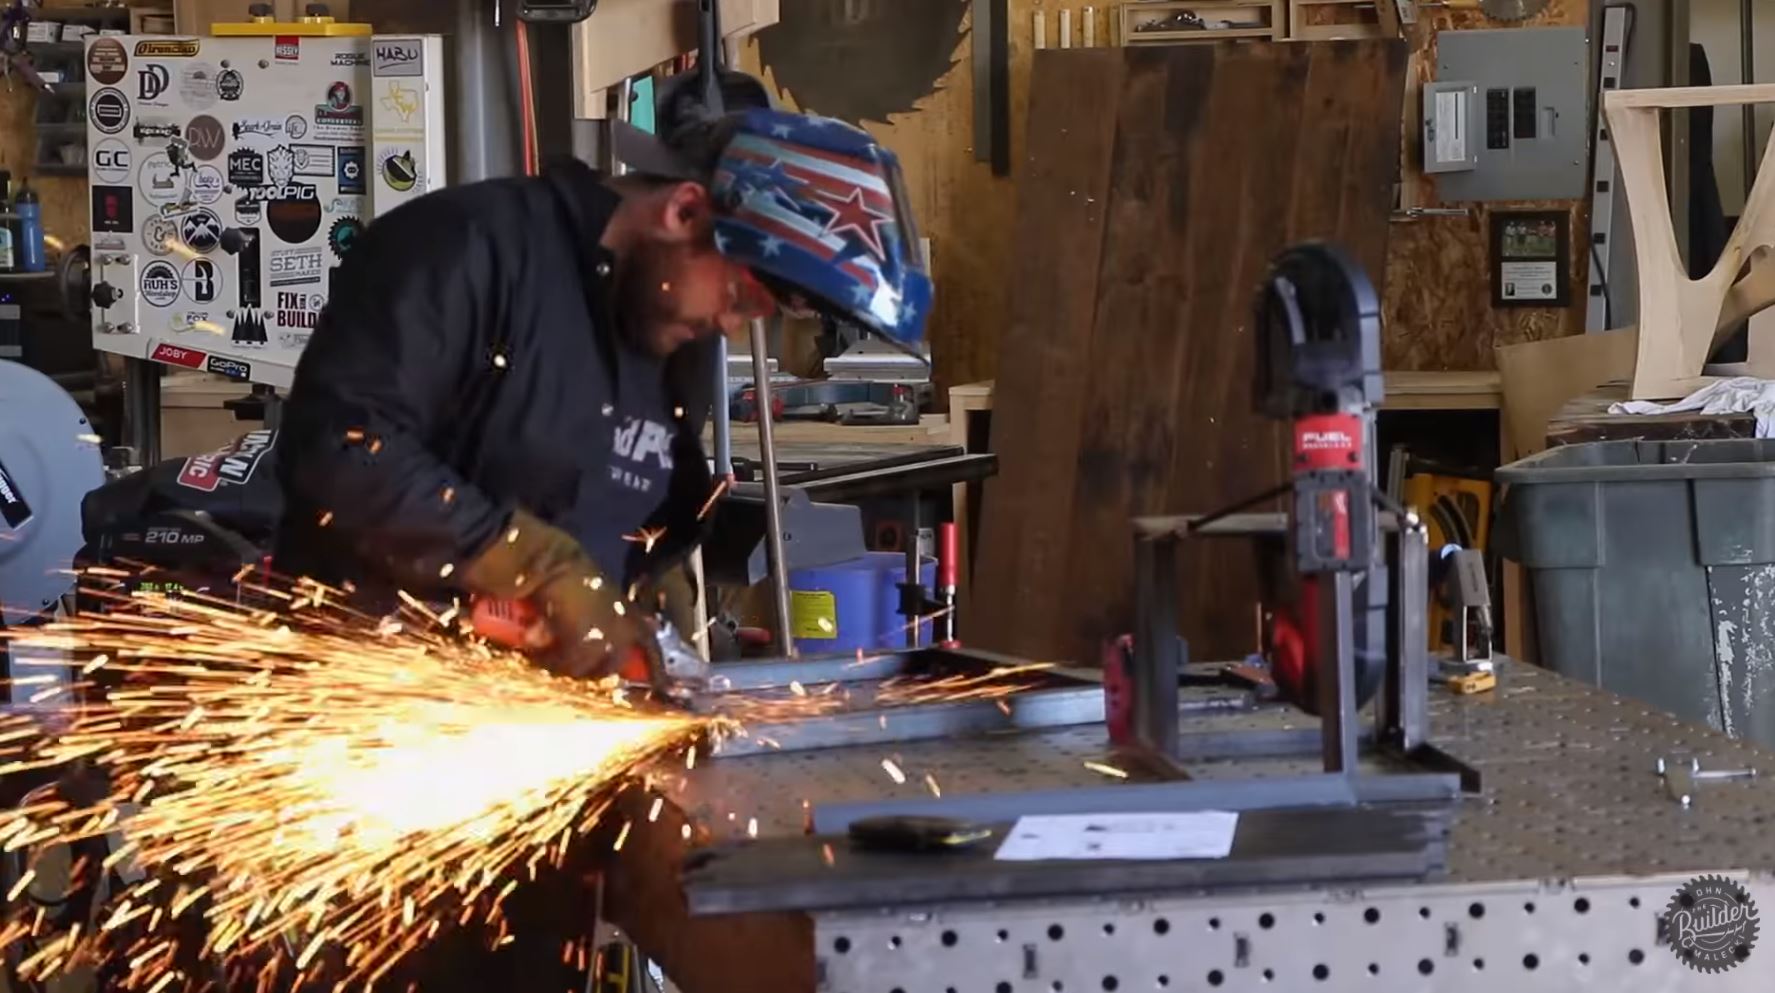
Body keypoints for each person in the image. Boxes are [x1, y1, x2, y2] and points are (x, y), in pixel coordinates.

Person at [274, 107, 932, 680]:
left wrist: (650, 579)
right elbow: (344, 446)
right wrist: (536, 564)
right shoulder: (467, 246)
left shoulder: (674, 330)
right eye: (737, 297)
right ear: (684, 210)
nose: (732, 326)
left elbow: (619, 491)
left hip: (529, 729)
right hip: (370, 700)